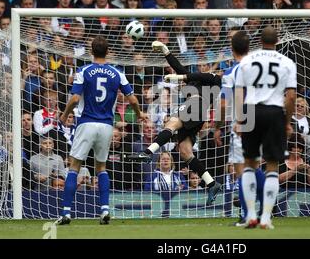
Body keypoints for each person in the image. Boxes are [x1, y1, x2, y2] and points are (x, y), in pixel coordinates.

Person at [55, 35, 147, 225]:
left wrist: (64, 116)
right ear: (108, 52)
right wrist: (139, 114)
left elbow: (73, 99)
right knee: (101, 168)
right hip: (106, 125)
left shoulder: (84, 71)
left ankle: (66, 212)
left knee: (74, 166)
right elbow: (133, 99)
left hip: (86, 122)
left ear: (91, 51)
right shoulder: (117, 73)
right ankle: (104, 210)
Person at [127, 40, 223, 206]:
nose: (203, 67)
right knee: (185, 152)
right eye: (200, 65)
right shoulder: (192, 81)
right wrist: (165, 50)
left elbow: (197, 75)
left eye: (206, 65)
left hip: (196, 105)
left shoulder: (213, 79)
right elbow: (178, 66)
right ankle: (212, 184)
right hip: (195, 113)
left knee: (171, 124)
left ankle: (147, 153)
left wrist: (181, 77)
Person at [234, 26, 297, 229]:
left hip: (251, 110)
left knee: (249, 163)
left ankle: (250, 215)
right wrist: (287, 121)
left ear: (259, 41)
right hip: (274, 112)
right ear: (277, 41)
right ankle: (266, 218)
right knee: (272, 165)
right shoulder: (287, 62)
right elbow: (291, 96)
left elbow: (239, 92)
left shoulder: (247, 61)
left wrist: (239, 119)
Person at [218, 30, 265, 227]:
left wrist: (217, 126)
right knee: (255, 167)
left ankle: (248, 216)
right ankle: (267, 207)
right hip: (262, 118)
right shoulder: (259, 68)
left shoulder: (232, 72)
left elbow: (223, 104)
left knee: (241, 170)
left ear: (232, 48)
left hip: (242, 121)